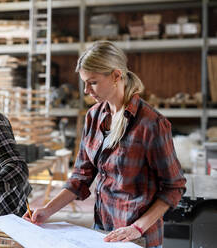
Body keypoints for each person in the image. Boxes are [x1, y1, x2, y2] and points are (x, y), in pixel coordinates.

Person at [23, 41, 186, 248]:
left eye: (93, 82)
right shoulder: (93, 116)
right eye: (84, 82)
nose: (86, 90)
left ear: (116, 76)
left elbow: (174, 186)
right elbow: (81, 177)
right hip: (102, 231)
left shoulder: (151, 123)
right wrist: (47, 210)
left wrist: (136, 228)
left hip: (138, 237)